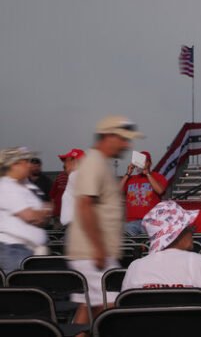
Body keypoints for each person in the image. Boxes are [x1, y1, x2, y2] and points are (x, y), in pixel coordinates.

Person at [66, 115, 143, 324]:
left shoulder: (98, 163)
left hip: (93, 253)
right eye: (123, 138)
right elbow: (84, 205)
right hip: (93, 253)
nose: (127, 144)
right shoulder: (94, 163)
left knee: (90, 310)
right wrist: (98, 248)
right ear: (109, 136)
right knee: (111, 309)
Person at [122, 201, 201, 317]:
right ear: (178, 233)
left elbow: (126, 316)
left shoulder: (135, 268)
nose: (193, 231)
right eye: (189, 227)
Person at [0, 147, 52, 273]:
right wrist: (43, 212)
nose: (29, 165)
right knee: (20, 287)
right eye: (25, 161)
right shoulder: (6, 186)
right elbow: (30, 216)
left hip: (30, 250)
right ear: (15, 164)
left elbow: (41, 219)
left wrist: (41, 214)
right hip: (14, 250)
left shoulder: (26, 186)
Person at [120, 151, 168, 236]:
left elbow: (160, 190)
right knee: (128, 242)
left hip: (151, 221)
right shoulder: (131, 179)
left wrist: (148, 174)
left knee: (148, 244)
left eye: (144, 161)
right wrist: (128, 173)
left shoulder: (158, 177)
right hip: (132, 221)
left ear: (149, 163)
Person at [50, 148, 84, 227]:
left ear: (75, 161)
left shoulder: (75, 175)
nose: (64, 164)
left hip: (75, 225)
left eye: (66, 161)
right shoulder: (79, 175)